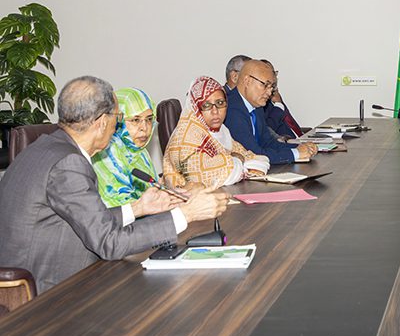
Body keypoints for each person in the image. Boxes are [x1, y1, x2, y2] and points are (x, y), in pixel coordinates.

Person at [0, 76, 228, 293]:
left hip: (44, 271)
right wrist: (186, 214)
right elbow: (109, 243)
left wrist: (137, 208)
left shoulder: (46, 146)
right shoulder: (69, 164)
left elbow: (90, 221)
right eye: (117, 119)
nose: (117, 127)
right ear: (102, 122)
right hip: (49, 291)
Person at [163, 76, 270, 189]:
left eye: (220, 103)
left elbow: (258, 160)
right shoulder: (186, 136)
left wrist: (233, 164)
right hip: (187, 198)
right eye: (206, 105)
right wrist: (238, 161)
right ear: (196, 107)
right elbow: (207, 178)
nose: (215, 111)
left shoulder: (222, 130)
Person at [225, 59, 318, 164]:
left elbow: (268, 142)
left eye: (271, 87)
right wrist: (295, 153)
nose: (269, 92)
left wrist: (300, 147)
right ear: (247, 81)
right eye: (265, 85)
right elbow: (254, 154)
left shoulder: (256, 105)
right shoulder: (231, 109)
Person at [91, 87, 160, 207]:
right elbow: (121, 206)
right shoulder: (107, 151)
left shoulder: (138, 151)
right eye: (135, 120)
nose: (144, 128)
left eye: (149, 119)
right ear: (118, 120)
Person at [261, 59, 303, 139]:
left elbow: (291, 124)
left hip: (300, 139)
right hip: (285, 143)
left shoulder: (276, 95)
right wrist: (278, 105)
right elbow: (266, 130)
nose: (274, 77)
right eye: (269, 74)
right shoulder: (260, 101)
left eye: (274, 73)